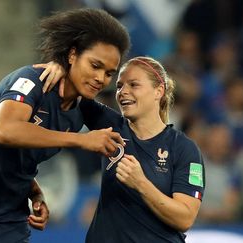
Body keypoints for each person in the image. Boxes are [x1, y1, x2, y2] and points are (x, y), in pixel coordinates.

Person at [0, 8, 130, 243]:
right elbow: (5, 131)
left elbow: (18, 157)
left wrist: (34, 192)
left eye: (109, 73)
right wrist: (82, 140)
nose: (101, 78)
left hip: (8, 221)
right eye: (95, 65)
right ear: (72, 55)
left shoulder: (81, 110)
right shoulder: (31, 80)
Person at [38, 56, 205, 242]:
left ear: (158, 91)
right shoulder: (112, 126)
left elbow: (185, 218)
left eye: (133, 85)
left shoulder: (184, 149)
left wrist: (141, 183)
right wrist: (59, 67)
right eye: (119, 86)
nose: (123, 92)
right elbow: (69, 88)